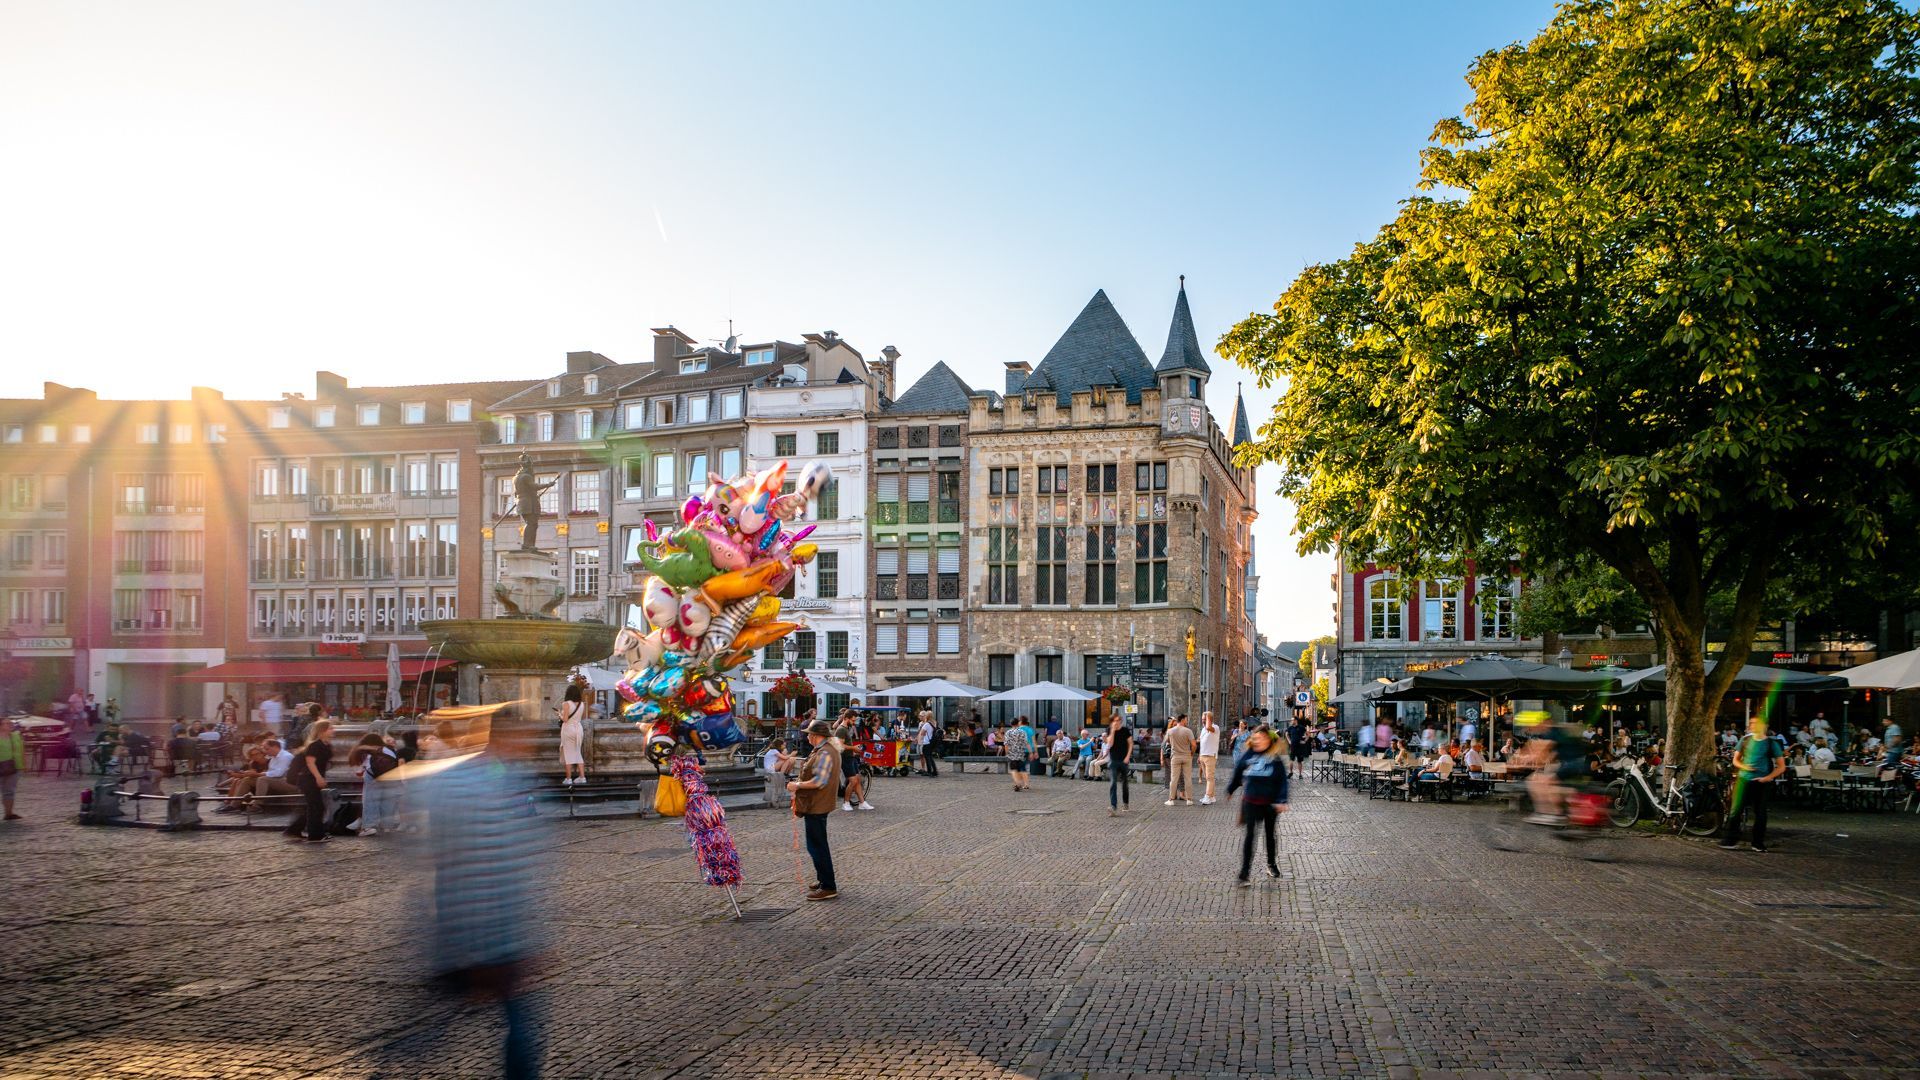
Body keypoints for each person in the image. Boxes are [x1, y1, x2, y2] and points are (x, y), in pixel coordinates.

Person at [413, 716, 550, 1079]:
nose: (529, 745)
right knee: (430, 1029)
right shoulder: (497, 784)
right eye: (524, 738)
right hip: (487, 933)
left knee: (514, 1020)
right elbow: (499, 862)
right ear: (503, 739)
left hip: (470, 930)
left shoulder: (466, 779)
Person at [786, 719, 842, 901]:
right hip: (816, 804)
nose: (807, 736)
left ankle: (828, 886)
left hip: (817, 805)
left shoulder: (825, 753)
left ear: (817, 736)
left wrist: (796, 785)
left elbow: (819, 781)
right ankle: (823, 879)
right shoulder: (823, 750)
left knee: (817, 847)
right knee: (817, 845)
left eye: (809, 734)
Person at [1226, 725, 1289, 886]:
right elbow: (1238, 772)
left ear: (1269, 740)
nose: (1258, 741)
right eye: (1256, 738)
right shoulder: (1248, 755)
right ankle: (1244, 873)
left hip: (1270, 803)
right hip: (1251, 801)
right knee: (1250, 836)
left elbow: (1282, 781)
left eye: (1262, 738)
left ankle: (1271, 864)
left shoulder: (1274, 758)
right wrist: (1231, 788)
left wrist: (1282, 800)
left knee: (1270, 835)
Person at [1720, 716, 1786, 852]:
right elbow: (1735, 760)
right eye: (1751, 723)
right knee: (1735, 811)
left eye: (1755, 723)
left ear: (1764, 726)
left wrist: (1768, 777)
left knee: (1760, 813)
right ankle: (1729, 840)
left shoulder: (1771, 743)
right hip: (1744, 780)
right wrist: (1744, 767)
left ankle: (1757, 843)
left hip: (1761, 783)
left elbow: (1781, 766)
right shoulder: (1745, 740)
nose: (1752, 725)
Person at [283, 720, 334, 843]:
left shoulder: (326, 745)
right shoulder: (315, 745)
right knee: (316, 806)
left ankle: (295, 830)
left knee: (314, 806)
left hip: (314, 778)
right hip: (308, 779)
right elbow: (310, 763)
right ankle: (315, 835)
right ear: (322, 731)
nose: (333, 730)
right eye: (330, 728)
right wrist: (318, 777)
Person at [557, 683, 588, 788]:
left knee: (568, 753)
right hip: (578, 728)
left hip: (569, 729)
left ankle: (569, 778)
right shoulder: (582, 704)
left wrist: (559, 714)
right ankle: (582, 777)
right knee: (577, 752)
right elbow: (581, 717)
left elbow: (565, 719)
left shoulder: (566, 703)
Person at [1163, 714, 1196, 806]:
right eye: (1186, 719)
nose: (1187, 721)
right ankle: (1189, 799)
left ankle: (1171, 799)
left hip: (1175, 756)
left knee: (1174, 778)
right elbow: (1194, 745)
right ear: (1182, 720)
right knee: (1188, 778)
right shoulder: (1188, 731)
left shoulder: (1170, 731)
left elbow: (1166, 742)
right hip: (1186, 756)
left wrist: (1174, 744)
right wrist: (1191, 753)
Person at [1107, 712, 1133, 816]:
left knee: (1124, 783)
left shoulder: (1125, 730)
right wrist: (1113, 730)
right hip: (1113, 761)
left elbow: (1130, 743)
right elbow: (1110, 744)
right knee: (1113, 783)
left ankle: (1125, 803)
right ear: (1112, 721)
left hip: (1124, 760)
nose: (1117, 722)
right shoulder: (1109, 730)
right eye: (1115, 720)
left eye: (1119, 720)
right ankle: (1113, 806)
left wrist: (1128, 756)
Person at [0, 715, 24, 821]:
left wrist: (22, 765)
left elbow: (21, 750)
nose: (10, 725)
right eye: (6, 723)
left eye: (10, 723)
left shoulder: (15, 736)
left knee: (9, 791)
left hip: (12, 767)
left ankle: (8, 814)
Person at [1004, 718, 1033, 792]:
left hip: (1012, 754)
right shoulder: (1022, 732)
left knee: (1014, 770)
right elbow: (1026, 743)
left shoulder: (1008, 732)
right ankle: (1025, 784)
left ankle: (1018, 783)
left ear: (1011, 724)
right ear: (1018, 723)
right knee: (1022, 769)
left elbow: (1006, 744)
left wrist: (1006, 753)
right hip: (1021, 754)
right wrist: (1031, 752)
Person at [1198, 712, 1222, 803]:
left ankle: (1208, 796)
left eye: (1205, 719)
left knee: (1209, 777)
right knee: (1207, 777)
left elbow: (1209, 727)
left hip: (1210, 755)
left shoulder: (1215, 727)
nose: (1202, 721)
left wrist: (1208, 715)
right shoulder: (1203, 729)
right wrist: (1199, 756)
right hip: (1203, 755)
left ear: (1210, 719)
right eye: (1202, 719)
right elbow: (1202, 742)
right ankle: (1212, 796)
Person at [1284, 712, 1309, 781]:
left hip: (1300, 746)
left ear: (1296, 720)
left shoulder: (1301, 727)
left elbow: (1307, 734)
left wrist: (1305, 741)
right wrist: (1289, 741)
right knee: (1291, 760)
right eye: (1291, 720)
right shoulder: (1290, 728)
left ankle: (1300, 774)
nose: (1291, 721)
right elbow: (1286, 734)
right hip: (1292, 746)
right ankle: (1291, 772)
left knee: (1299, 761)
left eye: (1292, 720)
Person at [916, 709, 939, 777]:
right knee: (930, 757)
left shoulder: (926, 724)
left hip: (926, 742)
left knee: (927, 757)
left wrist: (919, 740)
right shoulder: (934, 723)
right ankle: (934, 771)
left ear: (927, 716)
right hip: (932, 742)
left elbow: (922, 733)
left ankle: (929, 771)